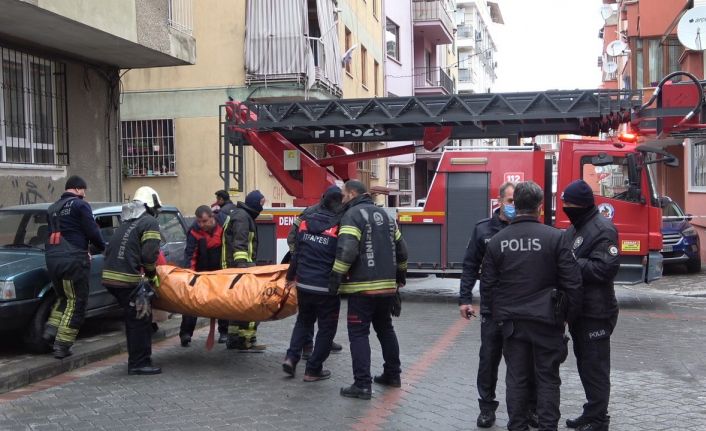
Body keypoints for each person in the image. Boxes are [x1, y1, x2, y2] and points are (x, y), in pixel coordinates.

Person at [481, 181, 582, 431]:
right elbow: (573, 283)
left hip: (512, 324)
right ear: (540, 207)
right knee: (547, 378)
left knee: (516, 378)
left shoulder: (497, 240)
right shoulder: (556, 238)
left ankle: (517, 426)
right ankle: (547, 426)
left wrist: (499, 317)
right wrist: (568, 317)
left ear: (515, 205)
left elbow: (488, 286)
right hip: (547, 320)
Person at [459, 182, 538, 428]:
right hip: (492, 308)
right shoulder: (483, 229)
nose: (513, 205)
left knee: (526, 361)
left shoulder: (528, 228)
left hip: (522, 308)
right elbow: (470, 266)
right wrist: (465, 299)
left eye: (516, 201)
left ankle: (530, 408)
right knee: (489, 359)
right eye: (510, 200)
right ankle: (486, 407)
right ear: (500, 200)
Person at [331, 180, 408, 400]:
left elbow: (347, 250)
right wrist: (399, 277)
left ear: (352, 194)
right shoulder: (385, 216)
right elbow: (402, 251)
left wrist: (335, 278)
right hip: (387, 288)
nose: (342, 199)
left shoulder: (352, 215)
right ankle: (393, 375)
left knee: (358, 334)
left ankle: (362, 385)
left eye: (343, 194)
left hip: (361, 288)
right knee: (385, 329)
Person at [561, 180, 620, 431]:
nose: (565, 208)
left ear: (582, 204)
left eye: (568, 204)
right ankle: (592, 412)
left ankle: (598, 419)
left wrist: (571, 262)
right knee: (585, 365)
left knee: (595, 368)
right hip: (580, 311)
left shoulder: (603, 229)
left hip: (596, 312)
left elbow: (605, 268)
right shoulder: (575, 228)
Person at [283, 186, 343, 381]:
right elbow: (344, 254)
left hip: (304, 283)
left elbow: (297, 253)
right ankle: (313, 370)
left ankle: (291, 358)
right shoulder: (340, 225)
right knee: (327, 328)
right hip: (326, 287)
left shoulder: (306, 221)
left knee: (303, 321)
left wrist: (290, 277)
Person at [102, 186, 163, 375]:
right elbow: (149, 255)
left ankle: (138, 360)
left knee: (134, 318)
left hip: (110, 277)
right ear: (151, 205)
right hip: (126, 278)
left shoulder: (128, 221)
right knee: (141, 319)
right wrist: (152, 276)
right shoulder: (149, 222)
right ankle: (139, 363)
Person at [43, 176, 105, 359]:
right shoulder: (80, 205)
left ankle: (50, 332)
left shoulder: (52, 208)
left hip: (52, 259)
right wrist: (102, 247)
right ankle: (62, 345)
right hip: (73, 260)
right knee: (77, 302)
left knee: (63, 298)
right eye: (83, 190)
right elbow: (92, 231)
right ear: (78, 189)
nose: (84, 194)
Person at [179, 205, 230, 346]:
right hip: (200, 271)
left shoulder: (224, 225)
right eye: (199, 221)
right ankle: (186, 333)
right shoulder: (194, 231)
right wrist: (190, 276)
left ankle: (224, 332)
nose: (201, 225)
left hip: (220, 271)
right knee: (192, 301)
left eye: (204, 221)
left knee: (222, 302)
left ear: (212, 217)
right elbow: (190, 255)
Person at [224, 190, 266, 351]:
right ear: (254, 203)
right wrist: (243, 269)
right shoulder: (242, 217)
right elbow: (240, 244)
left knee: (237, 307)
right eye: (261, 203)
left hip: (238, 268)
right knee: (251, 306)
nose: (262, 207)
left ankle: (234, 339)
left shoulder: (242, 215)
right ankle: (246, 341)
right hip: (242, 269)